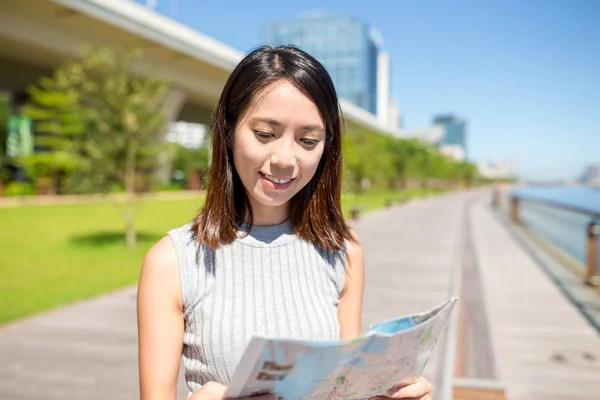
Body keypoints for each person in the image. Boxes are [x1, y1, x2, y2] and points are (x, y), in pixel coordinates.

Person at [137, 45, 433, 400]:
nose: (285, 159)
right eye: (265, 134)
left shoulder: (343, 251)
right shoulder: (173, 261)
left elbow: (341, 391)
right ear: (229, 132)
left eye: (308, 140)